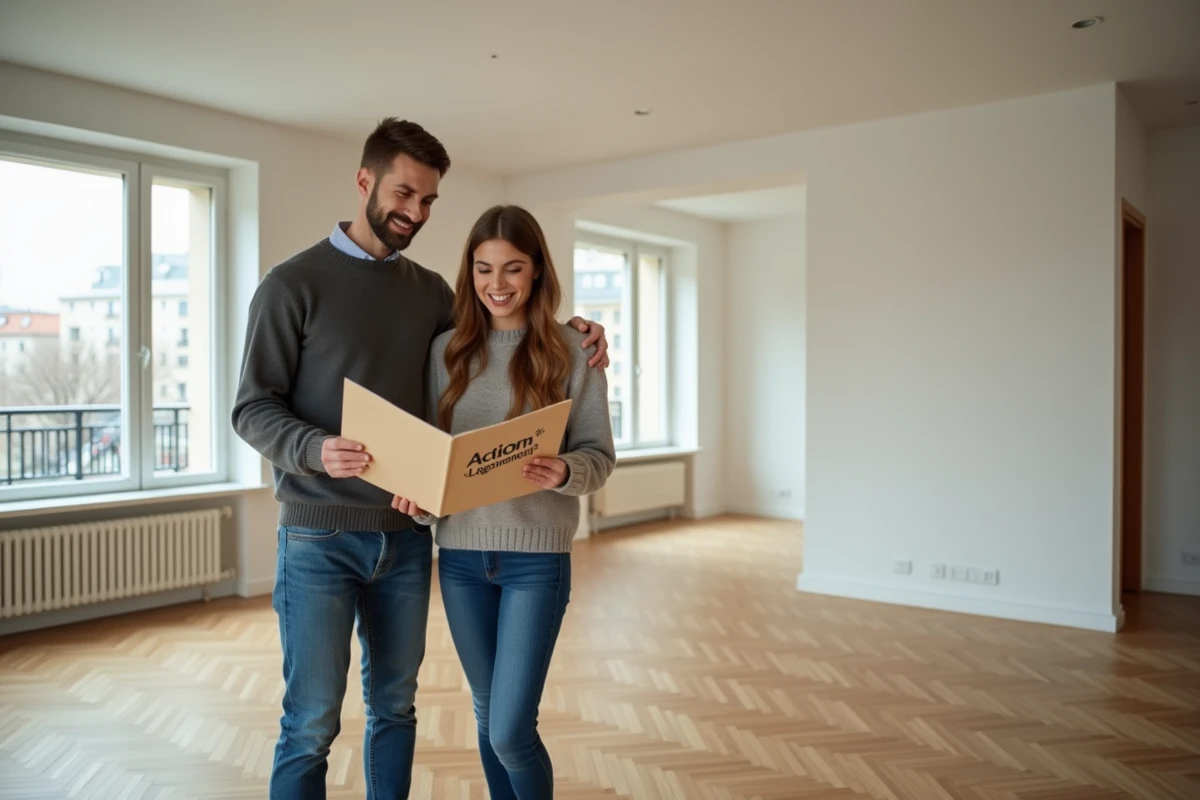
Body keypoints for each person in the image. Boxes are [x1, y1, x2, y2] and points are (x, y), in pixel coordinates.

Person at [231, 119, 608, 800]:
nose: (415, 212)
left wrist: (579, 330)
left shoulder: (432, 293)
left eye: (430, 200)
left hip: (408, 538)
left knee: (396, 711)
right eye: (405, 193)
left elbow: (497, 341)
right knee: (311, 723)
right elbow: (251, 407)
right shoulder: (291, 285)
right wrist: (315, 448)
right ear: (365, 181)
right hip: (320, 532)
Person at [391, 205, 616, 800]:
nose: (498, 284)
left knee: (513, 731)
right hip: (461, 560)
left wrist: (565, 469)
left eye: (513, 268)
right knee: (491, 721)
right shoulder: (445, 355)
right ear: (470, 273)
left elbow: (599, 456)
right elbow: (434, 460)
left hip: (535, 563)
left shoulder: (574, 352)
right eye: (484, 268)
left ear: (538, 271)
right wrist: (419, 496)